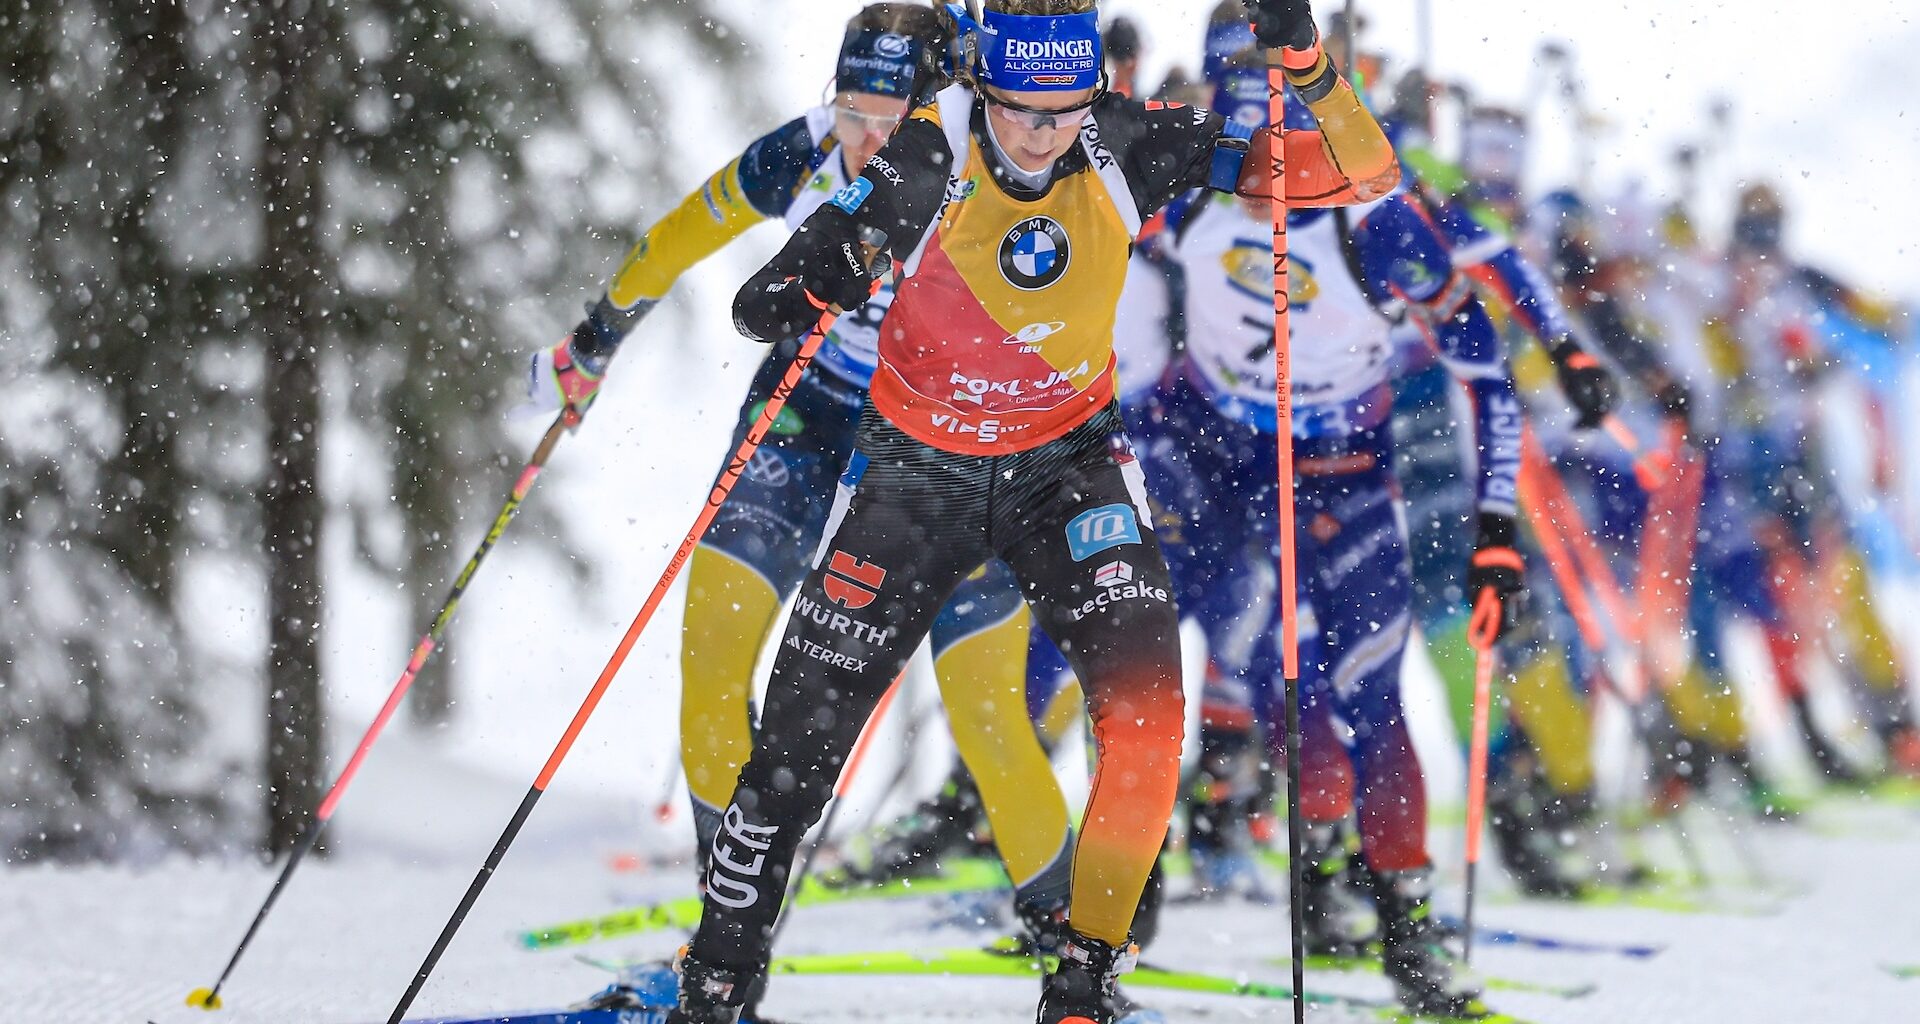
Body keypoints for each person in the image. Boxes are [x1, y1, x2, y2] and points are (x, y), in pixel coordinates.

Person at [670, 1, 1399, 1021]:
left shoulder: (1125, 141)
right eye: (1021, 108)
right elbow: (765, 300)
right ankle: (716, 977)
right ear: (983, 86)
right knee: (796, 742)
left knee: (1147, 720)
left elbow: (1363, 175)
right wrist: (807, 281)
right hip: (917, 476)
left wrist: (1308, 63)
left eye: (1066, 105)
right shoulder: (929, 150)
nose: (1044, 134)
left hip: (1069, 470)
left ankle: (1082, 984)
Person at [522, 7, 1074, 1016]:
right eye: (850, 110)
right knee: (713, 658)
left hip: (942, 443)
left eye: (888, 114)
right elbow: (683, 231)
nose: (866, 137)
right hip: (808, 413)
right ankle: (726, 949)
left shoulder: (991, 174)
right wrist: (593, 341)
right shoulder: (807, 152)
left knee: (990, 713)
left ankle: (1080, 973)